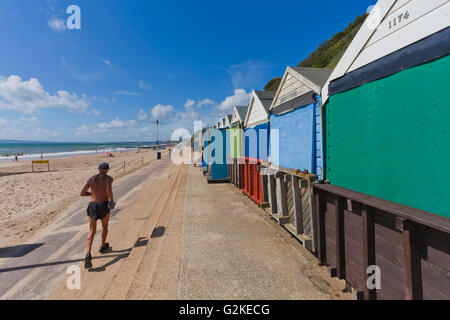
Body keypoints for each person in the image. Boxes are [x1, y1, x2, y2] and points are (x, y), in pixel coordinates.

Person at [80, 162, 116, 269]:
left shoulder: (92, 179)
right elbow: (108, 190)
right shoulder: (108, 179)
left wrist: (93, 194)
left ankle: (88, 253)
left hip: (92, 205)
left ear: (99, 169)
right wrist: (112, 200)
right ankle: (102, 246)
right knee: (104, 226)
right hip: (103, 204)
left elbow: (82, 193)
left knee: (91, 231)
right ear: (107, 170)